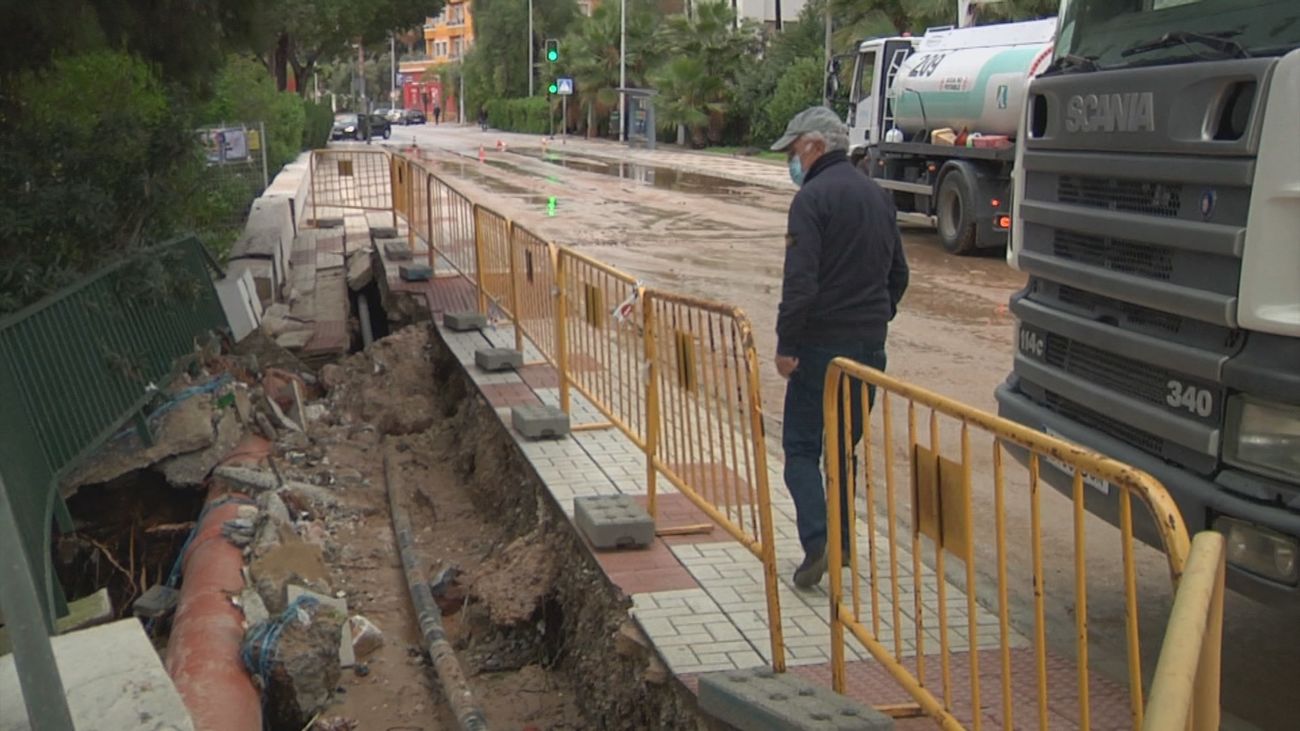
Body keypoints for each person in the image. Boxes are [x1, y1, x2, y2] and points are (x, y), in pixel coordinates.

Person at [770, 106, 909, 588]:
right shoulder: (878, 196)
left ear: (815, 146)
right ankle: (844, 544)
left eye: (793, 151)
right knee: (842, 447)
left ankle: (818, 540)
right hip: (869, 348)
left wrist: (788, 346)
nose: (792, 161)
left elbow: (800, 283)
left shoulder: (812, 200)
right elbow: (899, 275)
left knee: (802, 449)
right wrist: (874, 319)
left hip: (819, 349)